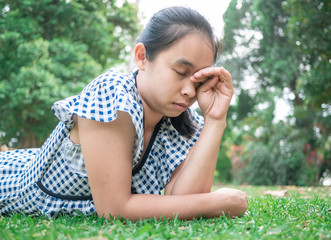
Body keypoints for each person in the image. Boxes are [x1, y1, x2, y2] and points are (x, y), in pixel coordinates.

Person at [0, 6, 247, 220]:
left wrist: (215, 120)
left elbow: (183, 199)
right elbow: (115, 209)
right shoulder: (112, 97)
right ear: (142, 57)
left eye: (198, 81)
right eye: (181, 72)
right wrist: (217, 202)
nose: (188, 91)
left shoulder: (177, 122)